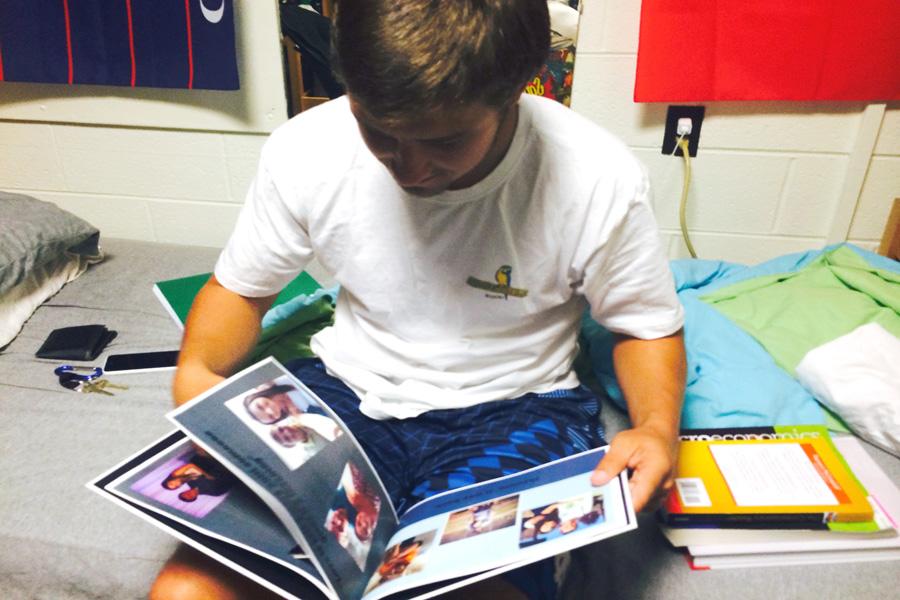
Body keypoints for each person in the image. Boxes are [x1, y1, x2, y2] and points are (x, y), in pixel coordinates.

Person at [151, 1, 685, 598]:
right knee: (185, 591)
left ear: (514, 93)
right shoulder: (304, 149)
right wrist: (196, 372)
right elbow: (241, 289)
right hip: (342, 394)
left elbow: (644, 326)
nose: (408, 168)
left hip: (518, 410)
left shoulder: (598, 176)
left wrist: (658, 429)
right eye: (378, 131)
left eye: (445, 142)